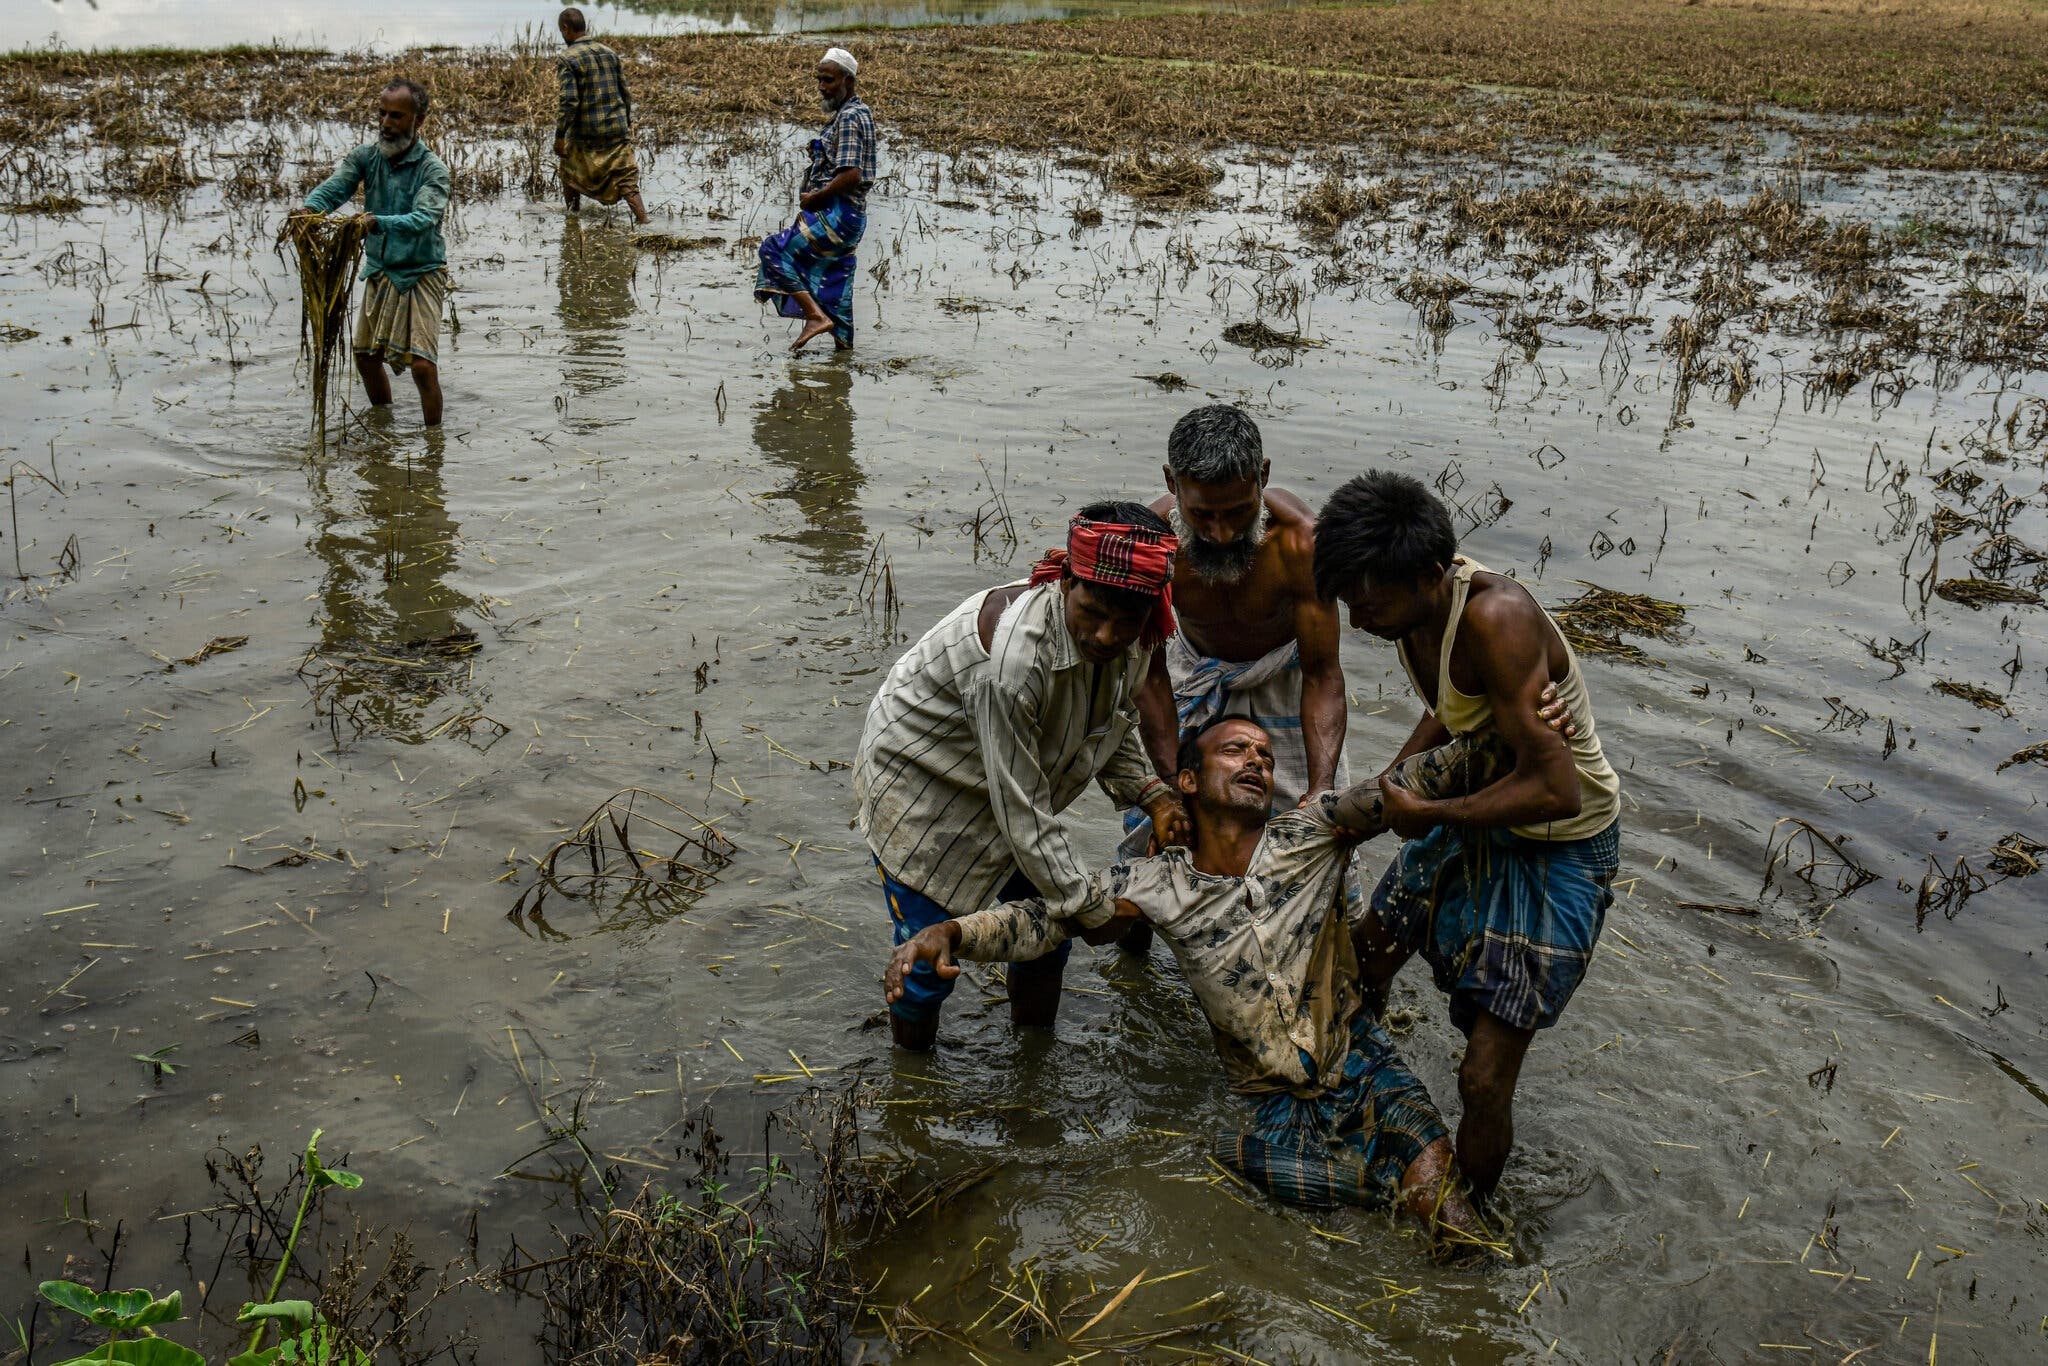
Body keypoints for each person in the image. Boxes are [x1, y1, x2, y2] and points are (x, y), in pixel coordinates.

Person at [886, 716, 1518, 1245]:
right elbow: (1046, 920)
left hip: (1362, 1061)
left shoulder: (1313, 833)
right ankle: (1375, 1189)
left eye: (1265, 756)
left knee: (1453, 1222)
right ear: (1187, 781)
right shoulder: (1159, 884)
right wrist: (951, 933)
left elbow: (1405, 785)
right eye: (1235, 750)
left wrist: (1516, 731)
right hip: (1266, 1102)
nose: (1256, 761)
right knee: (1260, 1173)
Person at [1313, 470, 1623, 1202]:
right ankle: (1361, 1100)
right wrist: (1390, 785)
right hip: (1479, 802)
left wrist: (1429, 816)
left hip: (1557, 841)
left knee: (1483, 1077)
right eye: (1348, 602)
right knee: (1362, 964)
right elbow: (1454, 709)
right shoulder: (1415, 613)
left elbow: (1557, 788)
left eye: (1369, 603)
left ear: (1429, 575)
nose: (1357, 621)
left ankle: (1471, 1218)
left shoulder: (1496, 619)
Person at [855, 503, 1188, 1052]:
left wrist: (1152, 794)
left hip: (1011, 773)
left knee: (1047, 939)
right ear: (1067, 581)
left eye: (1125, 622)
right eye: (1093, 613)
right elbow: (1024, 813)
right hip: (925, 779)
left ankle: (1033, 1062)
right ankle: (911, 1078)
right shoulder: (1013, 662)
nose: (1106, 636)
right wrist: (1089, 908)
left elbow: (1108, 720)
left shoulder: (1139, 639)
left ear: (1150, 610)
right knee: (925, 964)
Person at [1137, 406, 1347, 811]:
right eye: (1201, 515)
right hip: (1193, 673)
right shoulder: (1152, 544)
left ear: (1262, 476)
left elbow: (1322, 675)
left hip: (1284, 680)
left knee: (1304, 819)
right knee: (1173, 813)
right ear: (1172, 483)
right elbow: (1150, 675)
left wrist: (1321, 786)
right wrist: (1169, 782)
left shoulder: (1301, 543)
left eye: (1238, 512)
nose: (1221, 534)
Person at [300, 79, 451, 427]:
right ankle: (383, 425)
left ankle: (434, 443)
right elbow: (335, 188)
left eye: (396, 116)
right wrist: (309, 210)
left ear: (418, 121)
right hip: (380, 269)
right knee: (366, 357)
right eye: (382, 114)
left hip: (421, 271)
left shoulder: (432, 170)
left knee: (422, 366)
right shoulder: (366, 158)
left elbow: (424, 218)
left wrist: (376, 222)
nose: (386, 123)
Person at [755, 47, 876, 352]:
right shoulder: (856, 113)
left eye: (829, 80)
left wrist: (815, 198)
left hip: (837, 214)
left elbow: (851, 175)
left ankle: (814, 316)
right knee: (837, 295)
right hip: (852, 217)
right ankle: (842, 364)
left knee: (773, 250)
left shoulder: (849, 117)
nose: (822, 86)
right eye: (819, 79)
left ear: (848, 81)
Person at [554, 7, 651, 226]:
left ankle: (572, 220)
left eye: (562, 31)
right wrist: (625, 123)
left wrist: (560, 136)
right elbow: (625, 93)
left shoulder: (567, 58)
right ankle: (643, 220)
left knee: (569, 172)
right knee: (626, 179)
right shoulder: (609, 52)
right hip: (617, 127)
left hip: (587, 131)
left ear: (566, 29)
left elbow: (569, 102)